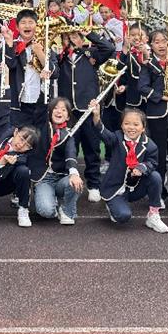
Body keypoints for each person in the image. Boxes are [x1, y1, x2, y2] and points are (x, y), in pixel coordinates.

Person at [55, 26, 115, 202]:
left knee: (92, 147)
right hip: (68, 111)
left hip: (88, 109)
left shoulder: (91, 54)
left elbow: (109, 48)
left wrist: (89, 33)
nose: (71, 40)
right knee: (68, 146)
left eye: (75, 37)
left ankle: (94, 184)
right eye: (67, 37)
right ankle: (67, 182)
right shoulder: (60, 57)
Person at [92, 103, 168, 233]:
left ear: (143, 127)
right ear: (122, 126)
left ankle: (153, 215)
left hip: (135, 187)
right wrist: (96, 117)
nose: (131, 127)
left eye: (136, 124)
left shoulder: (150, 145)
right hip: (116, 188)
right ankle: (112, 205)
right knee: (123, 216)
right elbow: (104, 134)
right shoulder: (117, 137)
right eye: (127, 123)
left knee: (155, 177)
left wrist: (141, 168)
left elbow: (152, 163)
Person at [137, 29, 168, 210]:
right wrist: (163, 97)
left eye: (164, 41)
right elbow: (142, 87)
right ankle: (158, 193)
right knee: (158, 153)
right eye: (156, 42)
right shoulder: (148, 65)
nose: (161, 45)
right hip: (157, 114)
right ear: (151, 45)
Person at [30, 97, 81, 224]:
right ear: (50, 112)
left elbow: (71, 153)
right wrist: (44, 87)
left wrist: (74, 173)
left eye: (63, 110)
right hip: (44, 178)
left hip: (61, 178)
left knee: (75, 182)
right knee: (46, 211)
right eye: (56, 108)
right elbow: (40, 109)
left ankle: (67, 211)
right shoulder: (42, 126)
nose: (59, 111)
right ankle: (49, 198)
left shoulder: (68, 135)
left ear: (68, 116)